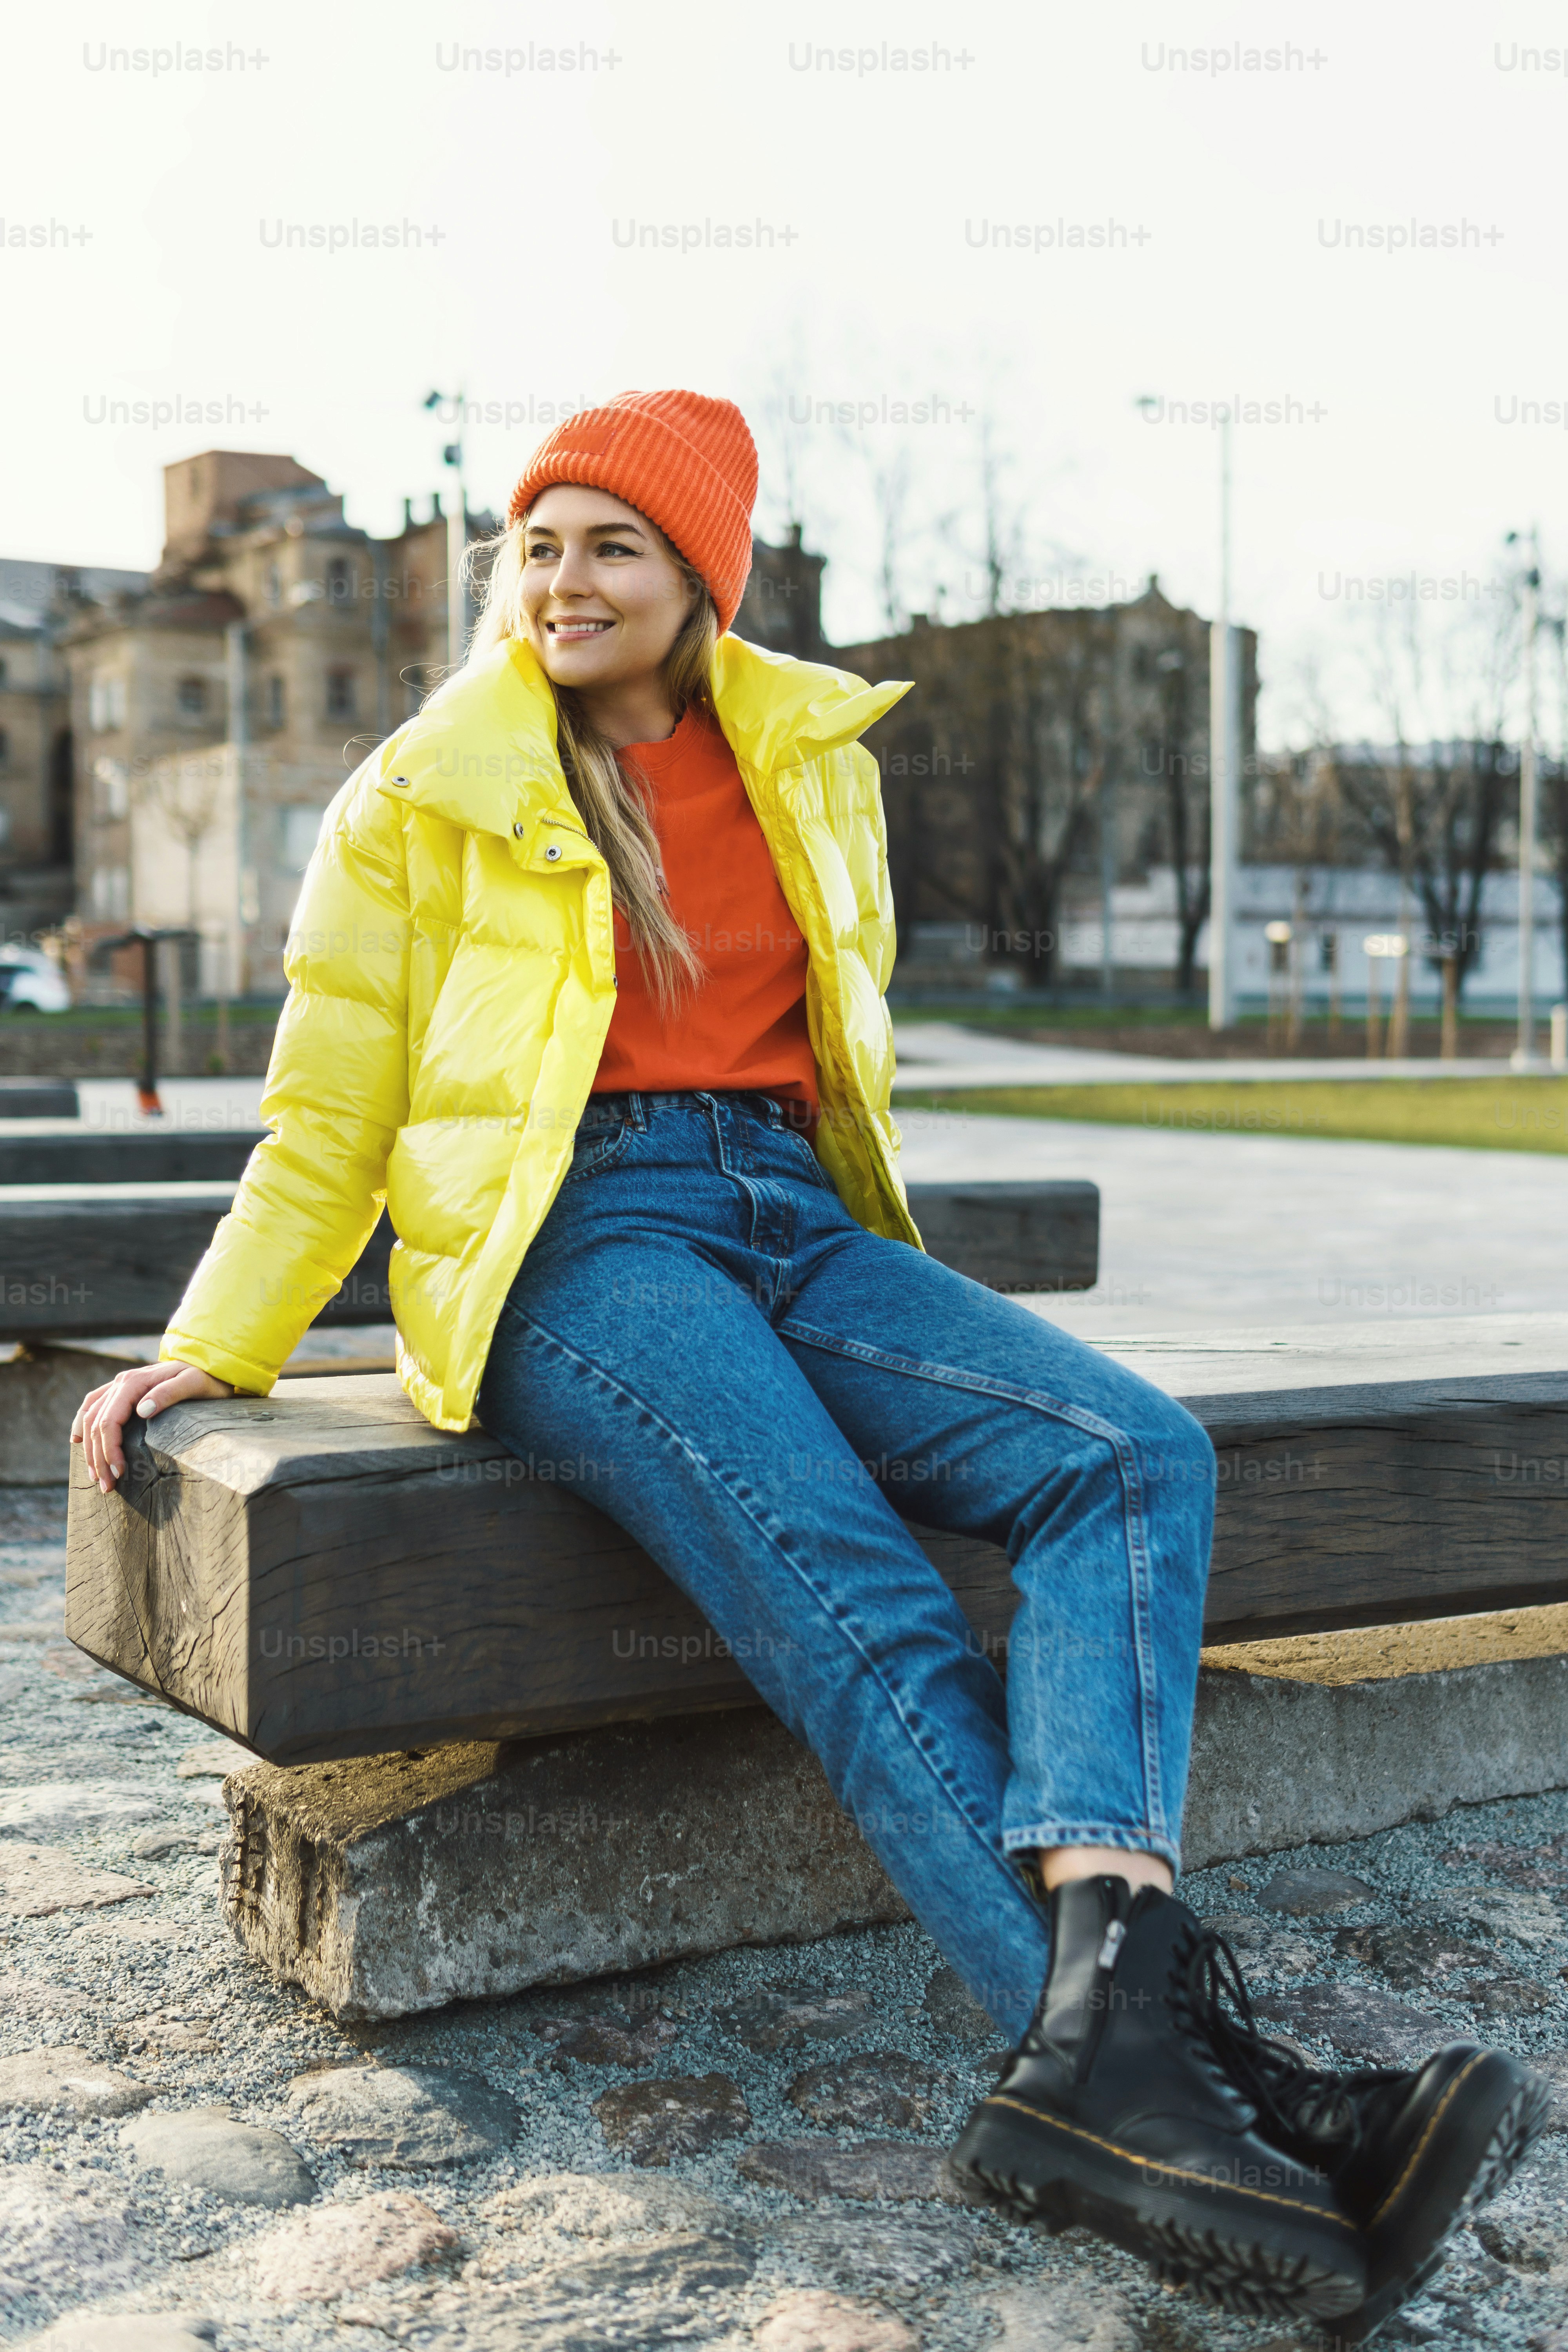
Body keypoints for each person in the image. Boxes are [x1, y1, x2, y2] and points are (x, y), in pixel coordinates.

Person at [72, 390, 1546, 2333]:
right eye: (537, 543)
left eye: (612, 546)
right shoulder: (425, 788)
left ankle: (1132, 2060)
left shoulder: (802, 758)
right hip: (578, 1248)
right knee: (847, 1583)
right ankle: (1199, 2084)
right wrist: (209, 1346)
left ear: (699, 580)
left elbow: (831, 1063)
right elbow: (326, 1115)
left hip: (790, 1213)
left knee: (1127, 1459)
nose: (563, 581)